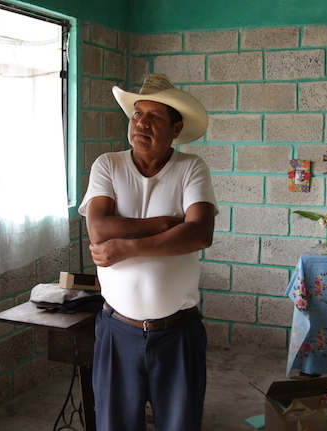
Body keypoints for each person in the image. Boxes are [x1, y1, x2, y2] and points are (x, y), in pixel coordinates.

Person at [78, 73, 217, 431]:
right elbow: (98, 229)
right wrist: (165, 223)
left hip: (178, 332)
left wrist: (127, 247)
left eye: (155, 117)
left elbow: (200, 232)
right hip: (116, 330)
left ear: (176, 128)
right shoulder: (107, 165)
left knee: (180, 425)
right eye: (137, 114)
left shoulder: (191, 168)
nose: (141, 123)